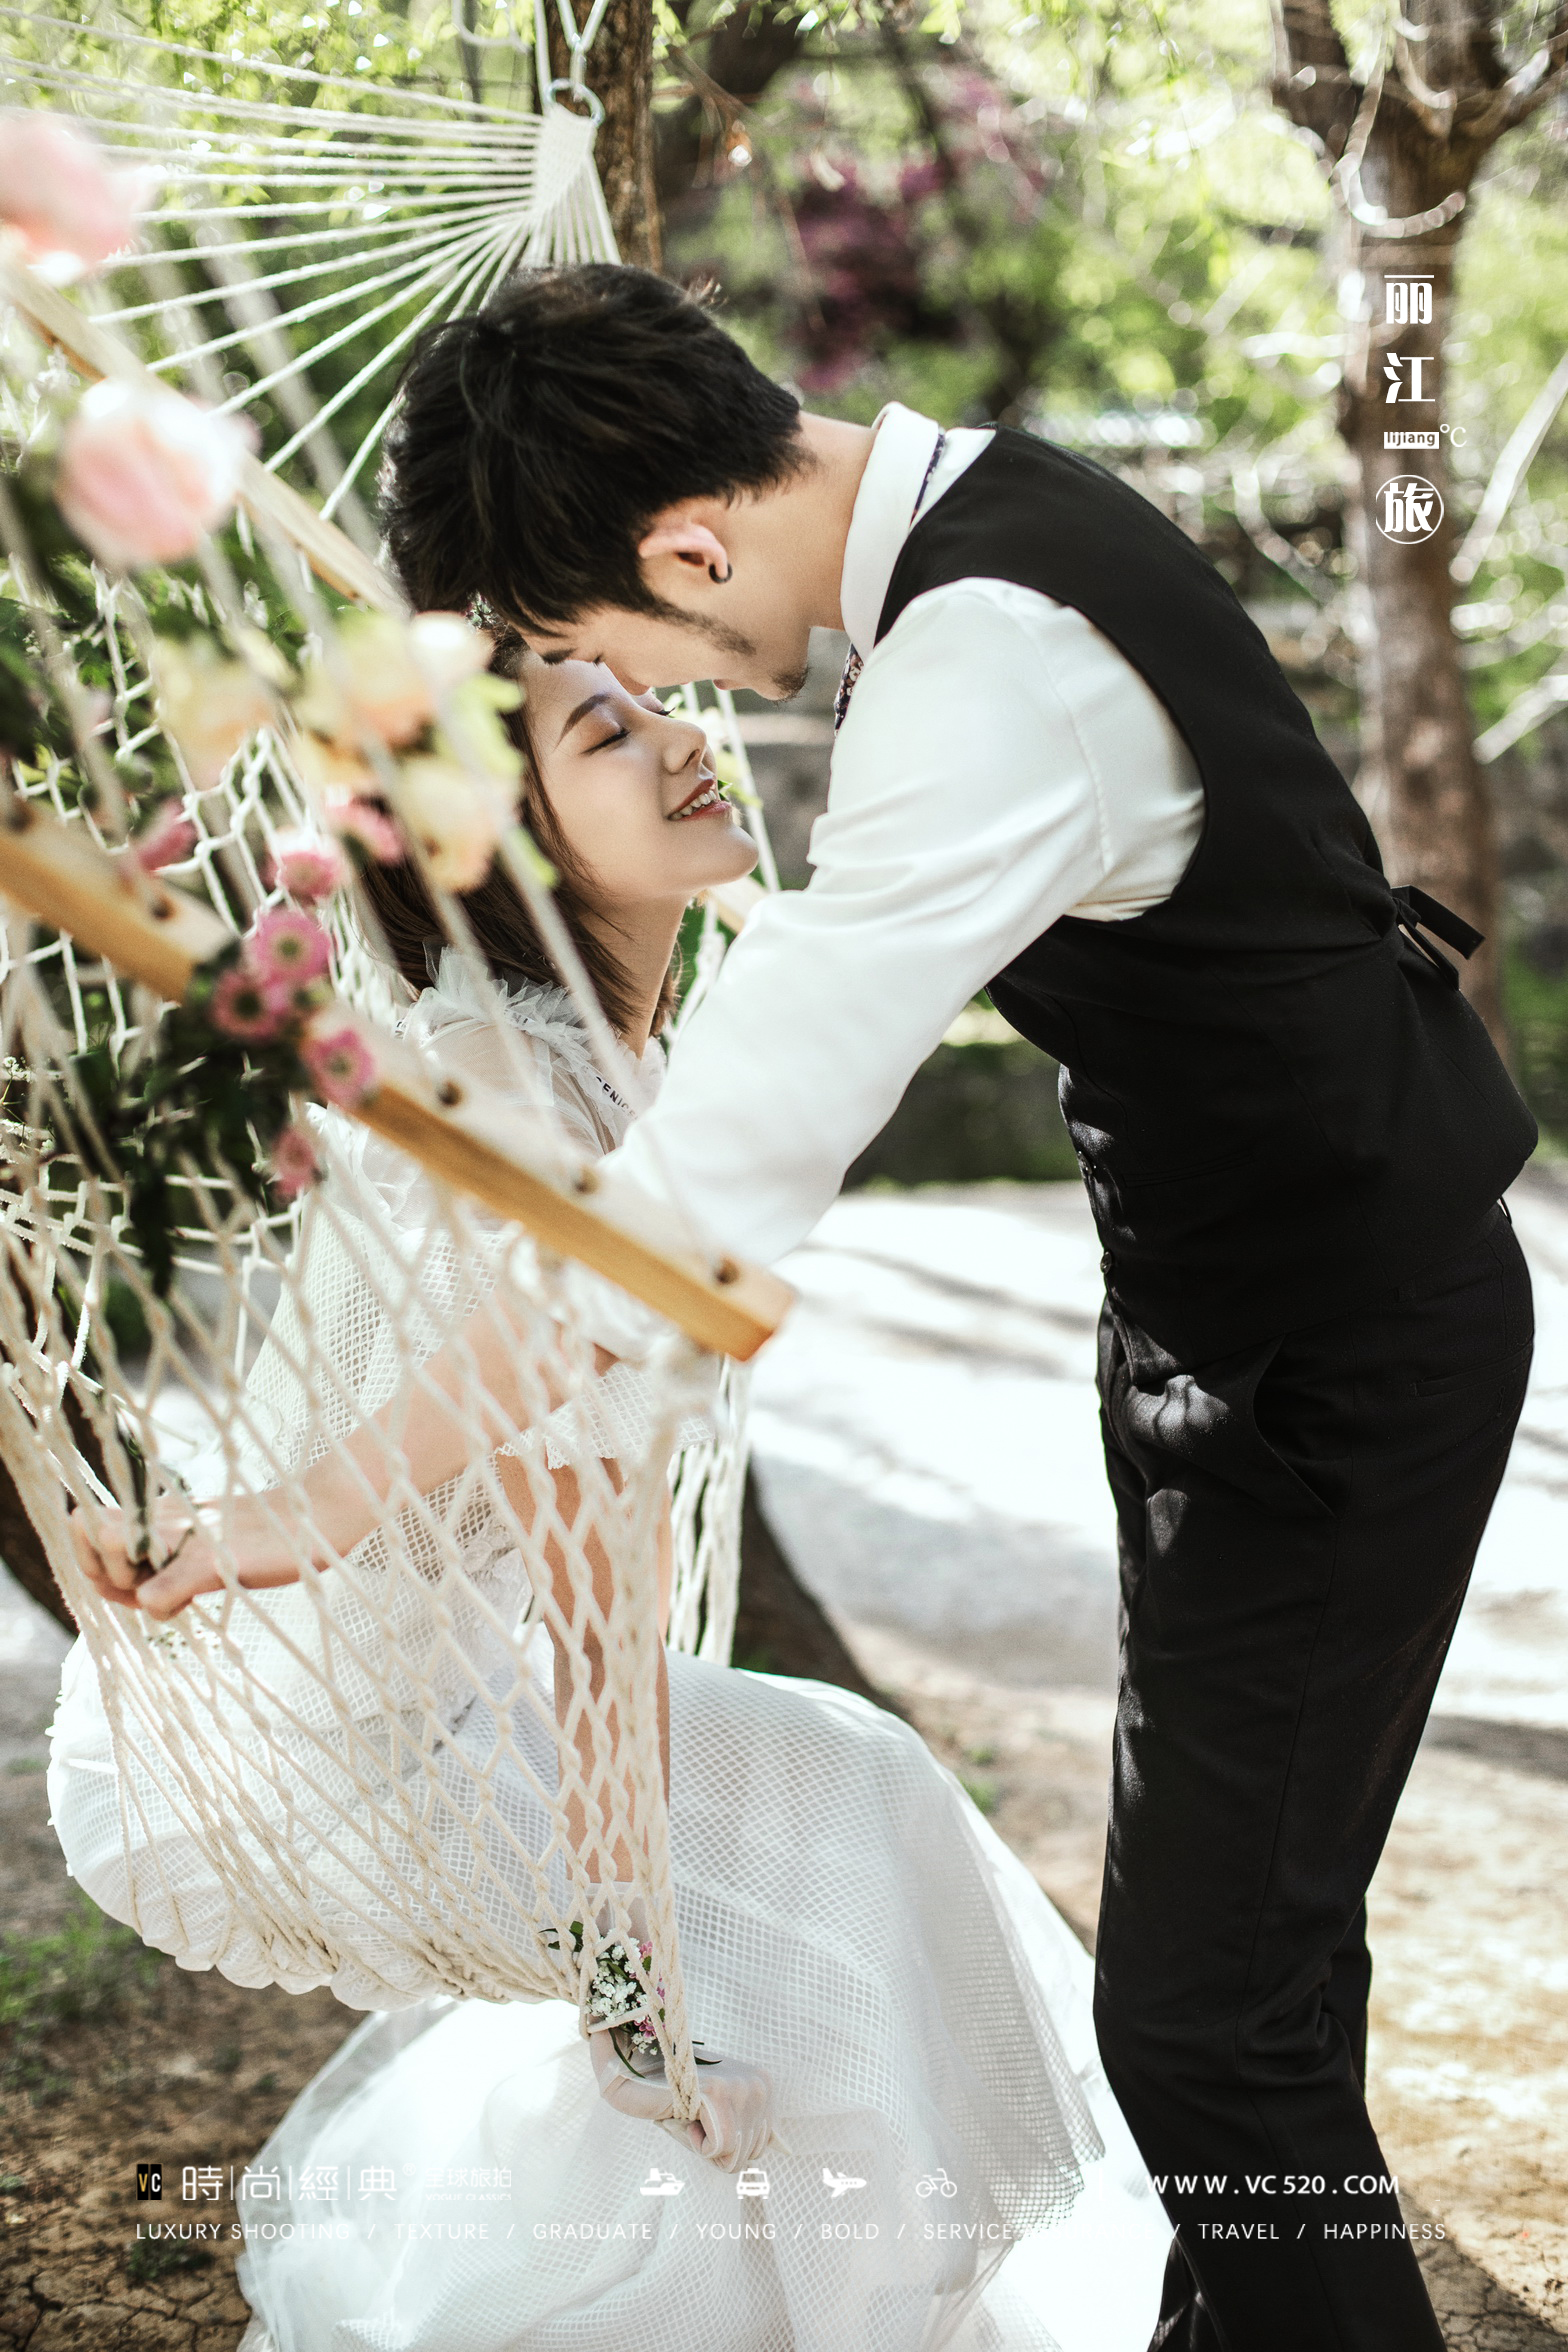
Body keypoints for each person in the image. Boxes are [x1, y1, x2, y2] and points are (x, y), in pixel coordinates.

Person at [377, 263, 1540, 2352]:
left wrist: (320, 1503)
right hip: (1242, 1324)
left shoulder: (986, 657)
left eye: (620, 649)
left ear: (689, 552)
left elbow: (712, 1184)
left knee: (1197, 2027)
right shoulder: (994, 525)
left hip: (1337, 1356)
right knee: (1258, 1982)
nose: (667, 693)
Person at [51, 649, 1171, 2352]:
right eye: (607, 730)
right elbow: (594, 1600)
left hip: (440, 1698)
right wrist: (631, 2003)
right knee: (849, 1817)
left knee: (845, 1839)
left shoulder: (613, 1063)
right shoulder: (506, 1103)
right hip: (332, 1756)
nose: (682, 736)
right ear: (503, 839)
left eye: (654, 698)